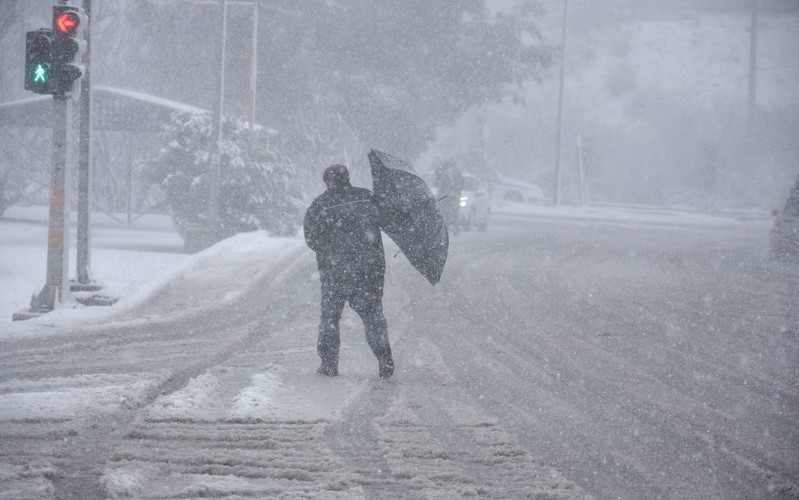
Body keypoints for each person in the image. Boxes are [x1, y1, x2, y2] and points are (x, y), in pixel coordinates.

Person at [303, 164, 395, 379]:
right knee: (373, 315)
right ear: (348, 178)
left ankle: (329, 364)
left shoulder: (320, 205)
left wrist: (331, 246)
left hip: (335, 271)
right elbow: (390, 219)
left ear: (328, 182)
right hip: (369, 269)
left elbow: (311, 239)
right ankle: (384, 356)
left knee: (330, 318)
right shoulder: (367, 198)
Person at [434, 160, 464, 235]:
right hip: (453, 196)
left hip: (446, 196)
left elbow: (440, 185)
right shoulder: (457, 174)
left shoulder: (444, 174)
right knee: (454, 213)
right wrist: (457, 192)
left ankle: (446, 228)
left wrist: (441, 194)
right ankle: (454, 229)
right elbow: (461, 184)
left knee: (445, 213)